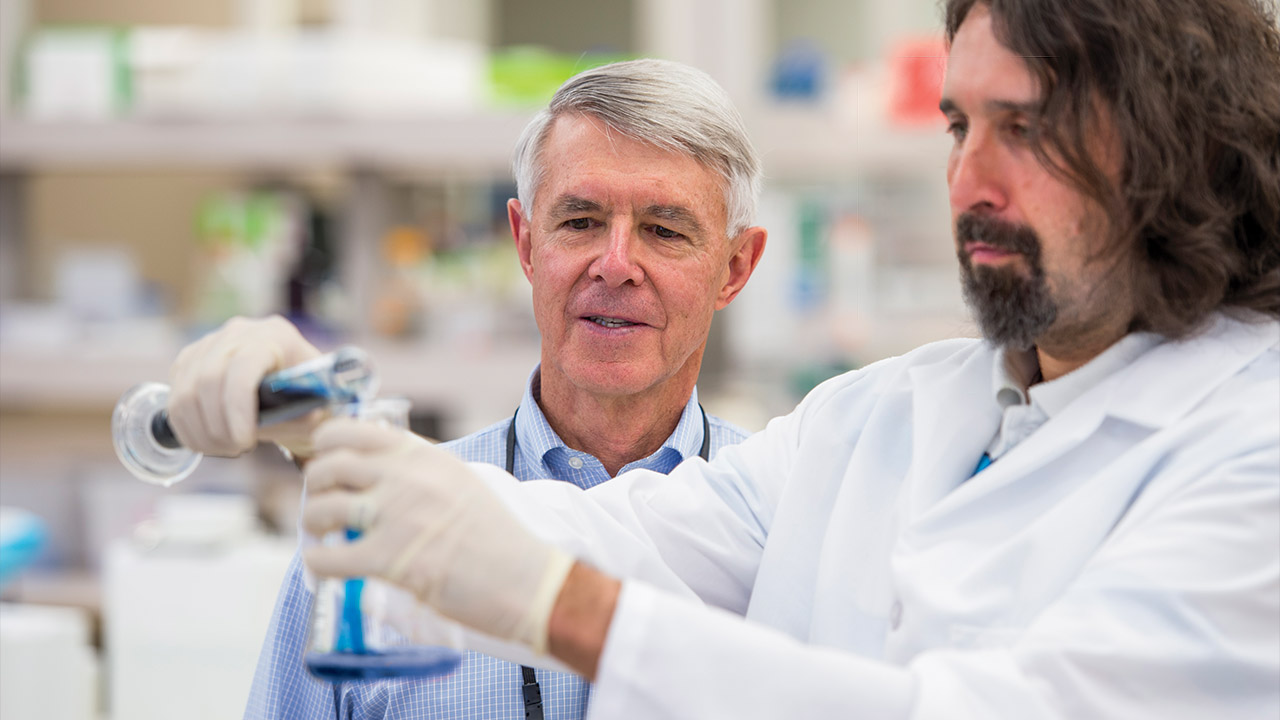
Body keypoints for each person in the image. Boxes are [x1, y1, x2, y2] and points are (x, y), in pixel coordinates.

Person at [298, 0, 1280, 718]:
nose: (967, 178)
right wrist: (302, 423)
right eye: (957, 125)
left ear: (1168, 150)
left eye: (1021, 128)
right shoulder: (876, 415)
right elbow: (622, 535)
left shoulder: (1248, 453)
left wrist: (568, 610)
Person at [161, 60, 767, 719]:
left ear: (736, 268)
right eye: (580, 221)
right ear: (525, 244)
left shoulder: (786, 527)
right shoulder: (368, 526)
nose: (616, 265)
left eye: (665, 230)